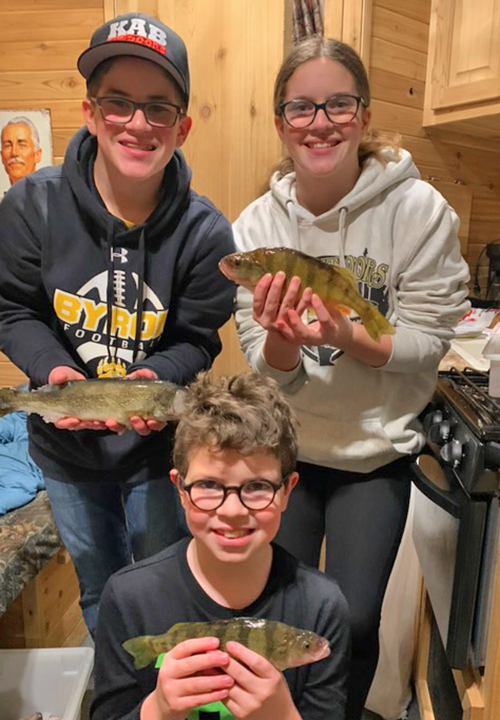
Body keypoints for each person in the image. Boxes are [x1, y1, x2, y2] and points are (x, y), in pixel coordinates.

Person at [230, 36, 470, 720]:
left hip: (375, 450)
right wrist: (281, 339)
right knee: (285, 617)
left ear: (363, 116)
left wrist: (342, 334)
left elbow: (427, 342)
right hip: (287, 448)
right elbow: (266, 365)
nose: (320, 121)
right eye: (301, 107)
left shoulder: (417, 211)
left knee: (355, 618)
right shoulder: (255, 227)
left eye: (339, 103)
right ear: (280, 122)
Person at [0, 12, 235, 639]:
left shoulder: (206, 233)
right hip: (64, 452)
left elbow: (198, 336)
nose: (137, 123)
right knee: (101, 586)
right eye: (119, 103)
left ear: (182, 127)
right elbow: (13, 309)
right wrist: (53, 376)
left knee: (163, 580)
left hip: (156, 451)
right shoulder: (30, 205)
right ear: (90, 111)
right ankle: (118, 694)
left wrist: (155, 377)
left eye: (158, 108)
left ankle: (167, 688)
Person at [91, 371, 350, 720]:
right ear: (181, 490)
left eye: (258, 486)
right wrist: (158, 710)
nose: (232, 511)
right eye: (209, 485)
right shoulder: (127, 597)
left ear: (287, 491)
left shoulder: (322, 605)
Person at [1, 116, 42, 186]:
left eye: (22, 145)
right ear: (1, 156)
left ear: (37, 154)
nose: (14, 153)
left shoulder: (51, 196)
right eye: (8, 146)